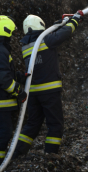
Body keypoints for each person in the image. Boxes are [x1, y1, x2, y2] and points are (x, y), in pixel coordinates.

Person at [13, 11, 83, 158]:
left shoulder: (25, 46)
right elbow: (63, 34)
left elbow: (52, 34)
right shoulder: (45, 40)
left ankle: (18, 152)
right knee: (55, 123)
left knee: (33, 123)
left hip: (33, 92)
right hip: (49, 91)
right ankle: (51, 153)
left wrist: (60, 23)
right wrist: (74, 21)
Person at [0, 16, 27, 164]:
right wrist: (18, 91)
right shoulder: (1, 51)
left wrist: (19, 77)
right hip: (2, 103)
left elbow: (5, 74)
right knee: (4, 134)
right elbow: (3, 79)